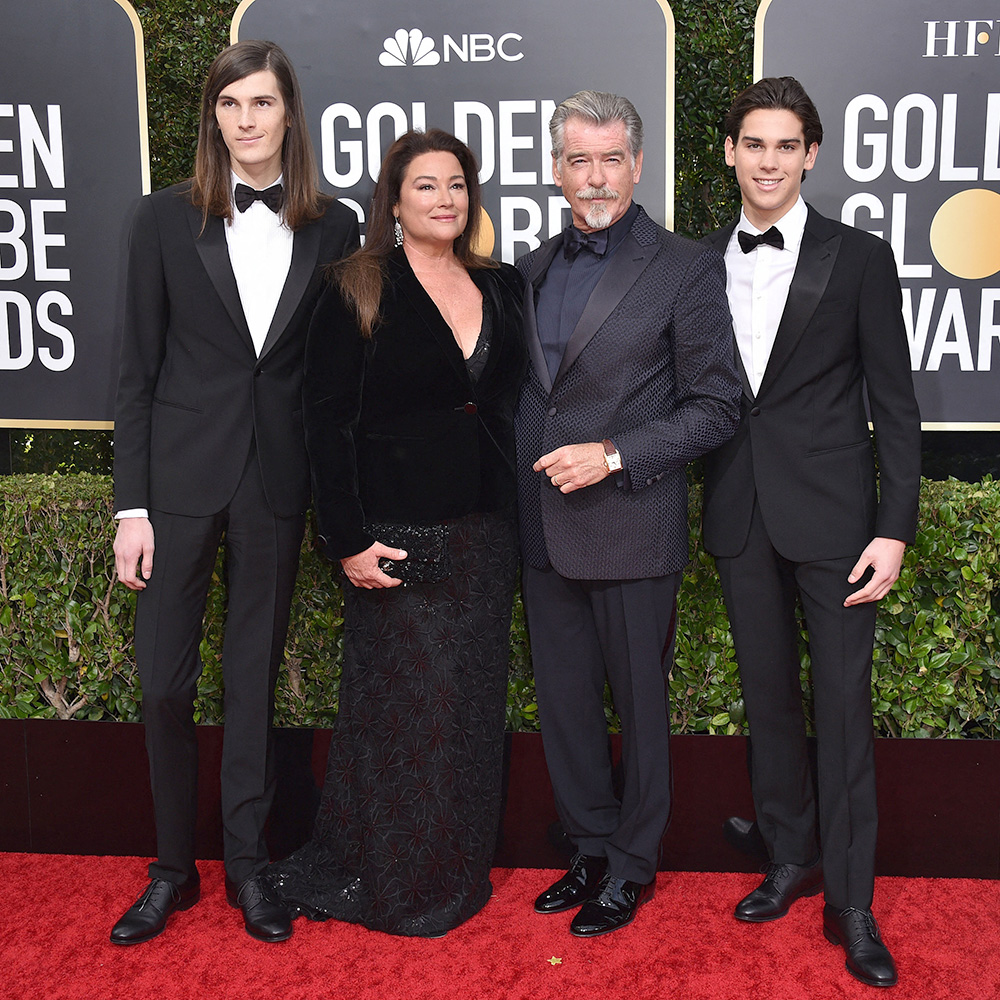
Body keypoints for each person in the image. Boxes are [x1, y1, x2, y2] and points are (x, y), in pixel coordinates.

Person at [110, 40, 359, 945]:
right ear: (213, 118)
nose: (247, 120)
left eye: (262, 103)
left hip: (274, 481)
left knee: (250, 682)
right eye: (230, 106)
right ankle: (172, 870)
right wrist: (128, 508)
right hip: (176, 484)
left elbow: (335, 378)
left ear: (289, 113)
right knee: (163, 687)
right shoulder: (160, 221)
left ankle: (249, 867)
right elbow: (134, 372)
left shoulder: (334, 226)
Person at [268, 129, 527, 937]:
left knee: (470, 711)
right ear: (395, 199)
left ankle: (453, 869)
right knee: (402, 713)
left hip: (487, 530)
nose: (444, 199)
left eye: (456, 184)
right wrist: (345, 539)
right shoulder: (356, 283)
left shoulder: (505, 283)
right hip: (396, 534)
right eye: (426, 186)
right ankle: (385, 878)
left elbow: (513, 403)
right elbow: (326, 420)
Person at [702, 77, 921, 987]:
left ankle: (854, 901)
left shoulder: (860, 258)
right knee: (770, 703)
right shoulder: (695, 262)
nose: (768, 161)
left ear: (811, 156)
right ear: (730, 152)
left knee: (842, 709)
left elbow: (896, 407)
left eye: (786, 146)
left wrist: (895, 527)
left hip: (835, 520)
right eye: (754, 143)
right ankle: (789, 857)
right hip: (740, 512)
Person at [515, 91, 741, 937]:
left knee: (641, 713)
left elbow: (718, 405)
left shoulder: (683, 267)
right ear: (556, 169)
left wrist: (612, 455)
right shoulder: (529, 269)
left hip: (632, 522)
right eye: (580, 159)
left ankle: (633, 866)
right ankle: (589, 848)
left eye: (612, 159)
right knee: (566, 707)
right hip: (542, 531)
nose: (596, 176)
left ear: (638, 166)